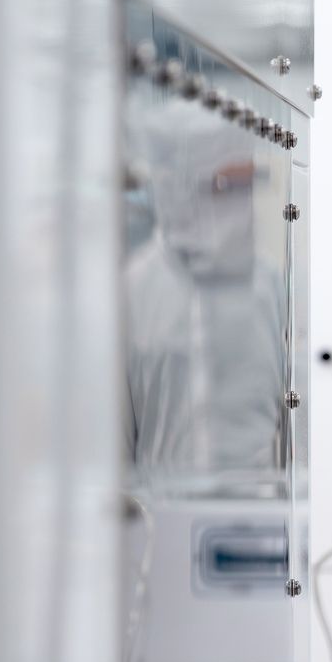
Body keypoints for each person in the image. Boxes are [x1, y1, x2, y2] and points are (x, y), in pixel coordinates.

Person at [124, 96, 287, 478]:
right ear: (180, 188)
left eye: (245, 186)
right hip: (160, 522)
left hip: (262, 519)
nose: (239, 204)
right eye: (224, 187)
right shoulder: (132, 293)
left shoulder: (267, 286)